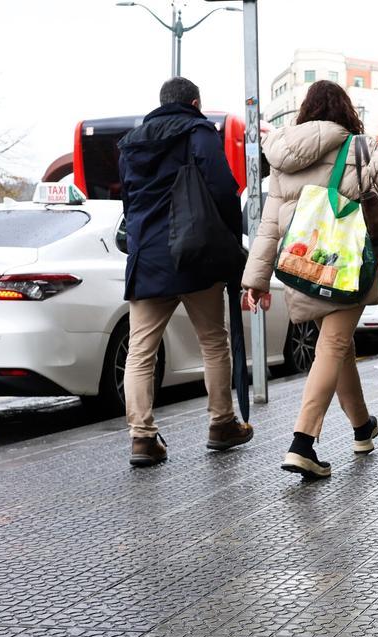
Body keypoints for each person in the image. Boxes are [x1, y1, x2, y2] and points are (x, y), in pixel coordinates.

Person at [241, 80, 378, 479]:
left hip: (302, 267)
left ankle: (362, 427)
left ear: (305, 111)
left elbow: (269, 226)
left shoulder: (283, 156)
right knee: (334, 345)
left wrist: (255, 278)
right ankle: (302, 442)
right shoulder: (359, 147)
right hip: (345, 266)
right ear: (346, 110)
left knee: (336, 347)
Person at [117, 76, 253, 467]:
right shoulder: (197, 130)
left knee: (141, 350)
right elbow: (223, 188)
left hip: (147, 259)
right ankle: (221, 423)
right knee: (213, 340)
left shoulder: (131, 143)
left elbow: (129, 203)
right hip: (195, 252)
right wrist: (230, 239)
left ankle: (142, 438)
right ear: (194, 102)